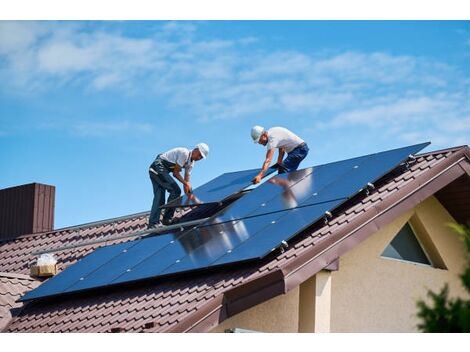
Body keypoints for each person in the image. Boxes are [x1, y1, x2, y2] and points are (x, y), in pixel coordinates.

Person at [148, 143, 209, 229]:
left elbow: (187, 182)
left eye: (201, 157)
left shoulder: (191, 164)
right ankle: (164, 220)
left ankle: (156, 222)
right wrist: (185, 183)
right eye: (199, 155)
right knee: (175, 191)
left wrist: (192, 198)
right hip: (158, 168)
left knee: (160, 196)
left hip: (159, 171)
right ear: (196, 149)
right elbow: (175, 173)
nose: (199, 158)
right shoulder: (184, 153)